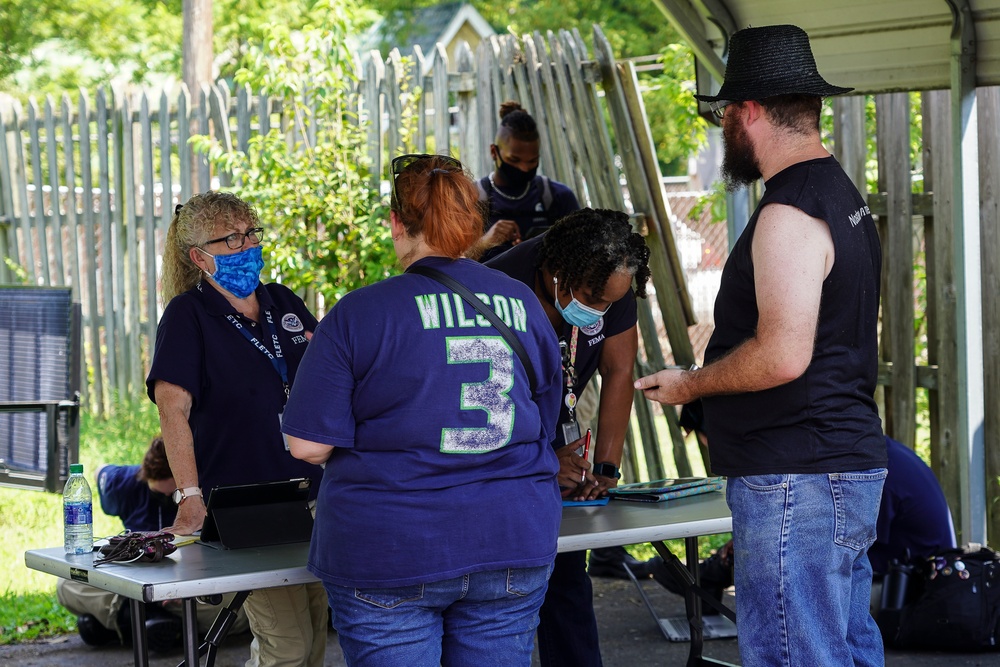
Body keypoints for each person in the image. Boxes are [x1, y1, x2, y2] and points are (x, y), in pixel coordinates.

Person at [635, 24, 888, 667]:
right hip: (834, 465)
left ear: (748, 112)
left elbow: (783, 354)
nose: (723, 129)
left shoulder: (789, 213)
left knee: (793, 655)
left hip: (796, 477)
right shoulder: (840, 196)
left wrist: (690, 383)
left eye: (725, 115)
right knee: (845, 651)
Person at [280, 153, 564, 666]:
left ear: (395, 223)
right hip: (510, 538)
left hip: (389, 548)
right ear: (470, 222)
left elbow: (307, 444)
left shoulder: (360, 313)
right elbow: (544, 420)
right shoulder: (522, 302)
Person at [146, 191, 328, 667]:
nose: (247, 245)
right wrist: (189, 497)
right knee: (285, 646)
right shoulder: (189, 316)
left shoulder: (282, 300)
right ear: (199, 256)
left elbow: (326, 377)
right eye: (231, 238)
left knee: (311, 642)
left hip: (312, 497)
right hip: (248, 507)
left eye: (250, 233)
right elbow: (173, 413)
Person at [486, 207, 651, 667]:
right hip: (499, 437)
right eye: (591, 297)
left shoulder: (613, 281)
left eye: (610, 303)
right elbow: (483, 403)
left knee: (566, 574)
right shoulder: (501, 285)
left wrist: (604, 470)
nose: (599, 310)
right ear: (557, 273)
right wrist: (540, 460)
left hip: (557, 428)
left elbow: (619, 372)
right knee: (499, 596)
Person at [57, 435, 250, 652]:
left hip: (189, 587)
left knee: (242, 611)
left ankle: (125, 625)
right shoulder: (124, 482)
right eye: (159, 494)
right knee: (67, 585)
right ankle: (157, 623)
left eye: (175, 496)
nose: (166, 500)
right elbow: (99, 471)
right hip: (135, 585)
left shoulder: (208, 489)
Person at [469, 101, 580, 262]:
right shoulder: (471, 198)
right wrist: (485, 243)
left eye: (532, 161)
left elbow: (582, 256)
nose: (524, 168)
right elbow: (449, 263)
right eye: (514, 160)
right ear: (494, 152)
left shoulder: (558, 197)